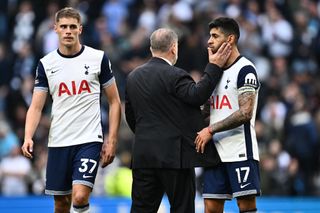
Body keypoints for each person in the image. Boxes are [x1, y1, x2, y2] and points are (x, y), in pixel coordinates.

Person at [21, 7, 121, 213]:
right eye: (64, 26)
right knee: (61, 204)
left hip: (89, 139)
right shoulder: (46, 64)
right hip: (59, 141)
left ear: (80, 30)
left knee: (80, 195)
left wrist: (112, 140)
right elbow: (36, 106)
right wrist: (28, 136)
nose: (68, 31)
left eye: (72, 27)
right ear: (55, 29)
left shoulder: (98, 58)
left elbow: (114, 102)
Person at [125, 28, 231, 213]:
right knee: (182, 208)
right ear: (174, 48)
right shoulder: (175, 75)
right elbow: (197, 96)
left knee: (141, 210)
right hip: (174, 157)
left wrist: (148, 135)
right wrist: (213, 67)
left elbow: (131, 117)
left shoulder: (133, 77)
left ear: (151, 49)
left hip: (143, 156)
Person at [195, 17, 261, 213]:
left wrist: (210, 129)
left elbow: (245, 113)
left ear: (230, 39)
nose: (209, 41)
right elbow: (207, 111)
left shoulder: (245, 69)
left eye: (215, 36)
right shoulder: (213, 73)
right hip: (215, 153)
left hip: (240, 150)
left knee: (246, 207)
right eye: (209, 36)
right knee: (211, 208)